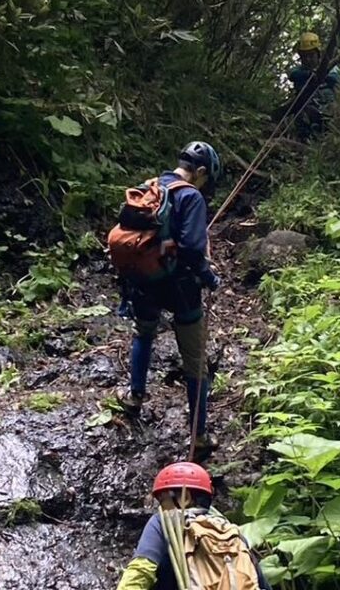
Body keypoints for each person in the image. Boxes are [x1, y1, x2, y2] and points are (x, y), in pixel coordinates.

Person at [114, 141, 222, 460]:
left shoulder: (149, 187)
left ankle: (134, 397)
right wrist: (210, 278)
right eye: (205, 178)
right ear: (199, 171)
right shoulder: (191, 196)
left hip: (144, 280)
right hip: (181, 287)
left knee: (144, 333)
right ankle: (199, 435)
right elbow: (192, 249)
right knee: (195, 358)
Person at [116, 462, 272, 590]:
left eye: (163, 501)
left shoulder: (163, 522)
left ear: (185, 497)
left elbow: (141, 570)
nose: (161, 508)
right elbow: (259, 583)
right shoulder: (232, 534)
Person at [282, 31, 340, 140]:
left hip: (328, 110)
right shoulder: (299, 71)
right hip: (306, 109)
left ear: (318, 54)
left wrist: (320, 75)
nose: (308, 59)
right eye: (304, 56)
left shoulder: (330, 68)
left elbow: (335, 79)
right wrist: (309, 75)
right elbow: (293, 75)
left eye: (311, 55)